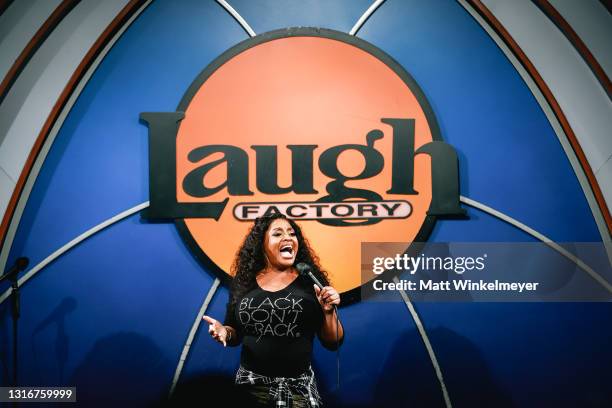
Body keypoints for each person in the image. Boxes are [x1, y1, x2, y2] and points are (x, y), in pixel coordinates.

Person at [203, 213, 344, 407]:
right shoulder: (244, 282)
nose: (288, 238)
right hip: (250, 388)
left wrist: (329, 313)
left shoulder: (310, 280)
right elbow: (234, 332)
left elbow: (333, 341)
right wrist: (224, 332)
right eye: (278, 234)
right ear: (262, 244)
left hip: (297, 393)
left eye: (292, 233)